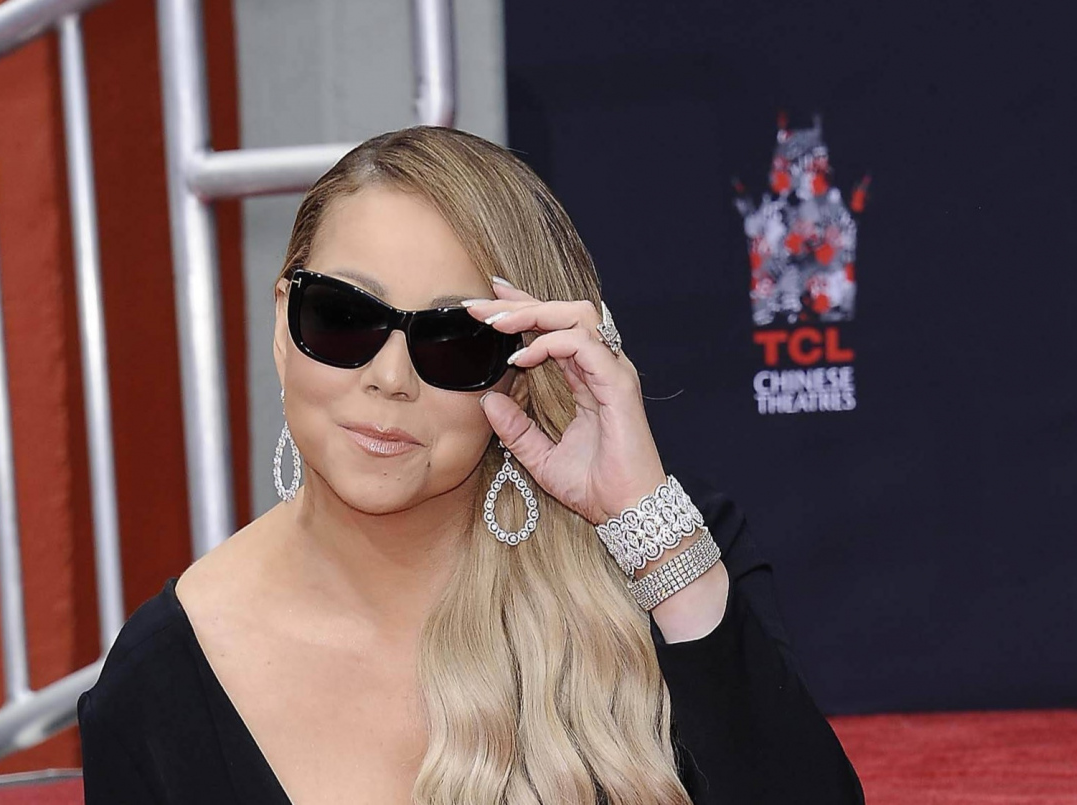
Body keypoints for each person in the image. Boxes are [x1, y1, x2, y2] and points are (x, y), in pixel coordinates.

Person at [77, 125, 865, 805]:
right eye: (343, 317)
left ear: (521, 367)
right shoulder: (163, 679)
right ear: (285, 324)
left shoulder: (659, 564)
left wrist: (647, 530)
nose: (390, 376)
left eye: (452, 340)